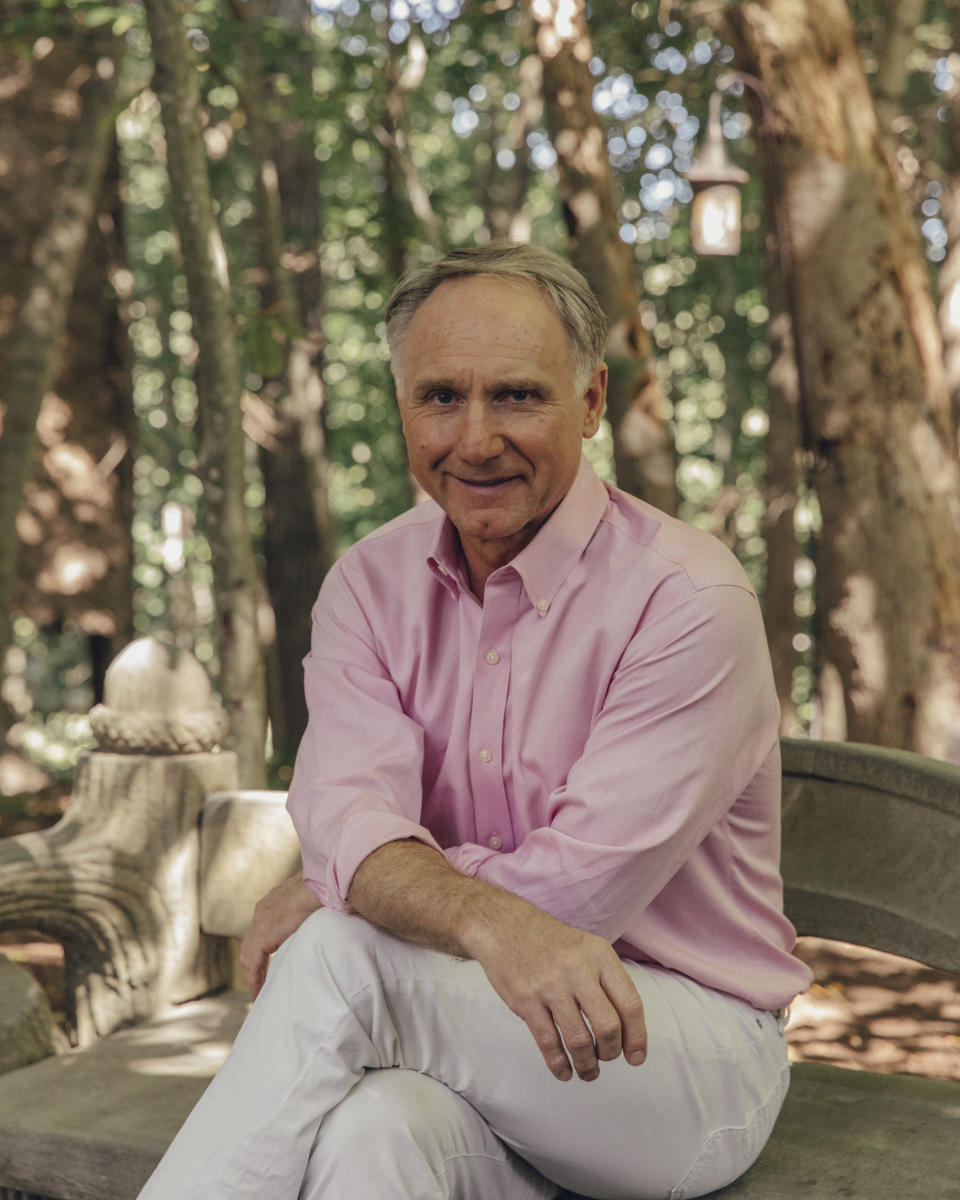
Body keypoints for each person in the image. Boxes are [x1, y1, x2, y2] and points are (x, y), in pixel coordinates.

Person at [138, 244, 812, 1200]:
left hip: (675, 1052)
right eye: (442, 397)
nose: (477, 438)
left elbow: (575, 898)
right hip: (462, 1037)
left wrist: (358, 890)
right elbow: (347, 820)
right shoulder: (368, 590)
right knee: (375, 1135)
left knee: (339, 954)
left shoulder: (687, 600)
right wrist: (377, 880)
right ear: (403, 405)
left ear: (590, 402)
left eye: (519, 397)